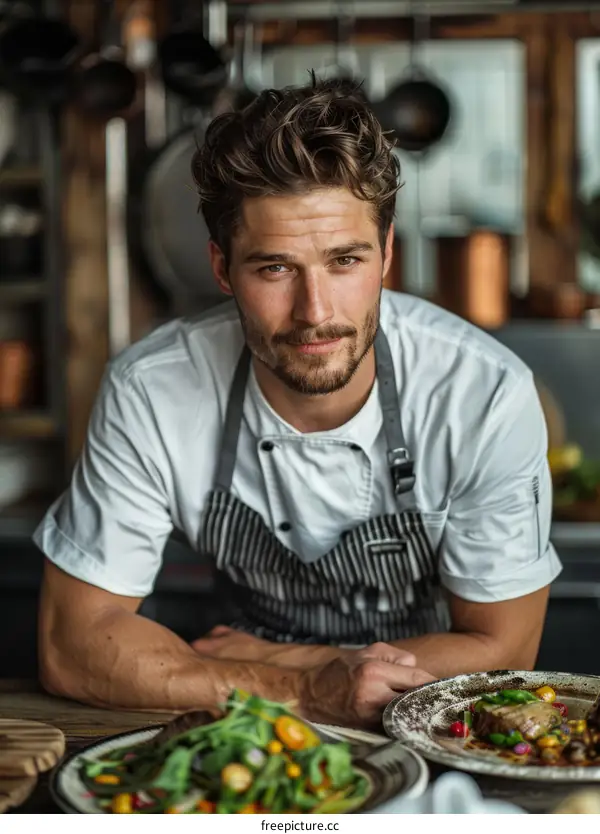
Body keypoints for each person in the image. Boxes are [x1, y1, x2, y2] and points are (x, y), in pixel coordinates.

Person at [34, 77, 562, 729]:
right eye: (275, 268)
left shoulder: (481, 394)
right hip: (237, 730)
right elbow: (72, 645)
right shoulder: (153, 389)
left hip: (432, 732)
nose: (316, 314)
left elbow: (504, 654)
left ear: (387, 253)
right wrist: (308, 691)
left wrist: (281, 657)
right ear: (222, 268)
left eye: (344, 261)